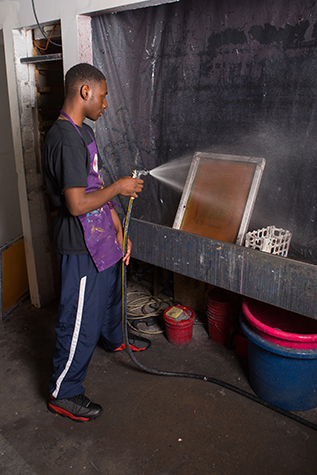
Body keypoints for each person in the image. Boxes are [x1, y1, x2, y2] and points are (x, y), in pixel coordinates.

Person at [42, 63, 149, 422]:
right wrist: (119, 187)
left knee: (110, 296)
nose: (105, 104)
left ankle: (114, 337)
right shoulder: (63, 138)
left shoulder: (85, 133)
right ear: (84, 92)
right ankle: (64, 391)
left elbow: (94, 183)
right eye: (102, 97)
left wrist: (119, 228)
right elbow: (75, 203)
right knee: (79, 322)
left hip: (102, 235)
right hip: (79, 245)